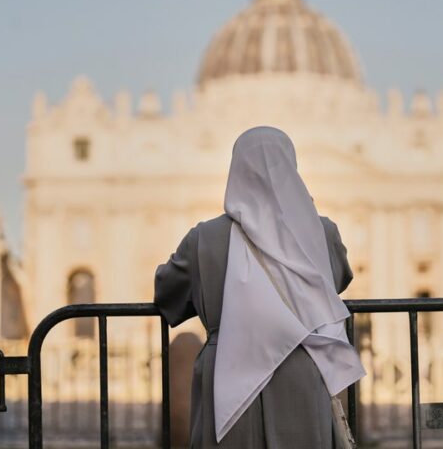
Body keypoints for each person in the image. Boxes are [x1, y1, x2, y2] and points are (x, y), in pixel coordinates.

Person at [154, 126, 365, 448]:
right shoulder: (322, 232)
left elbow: (168, 294)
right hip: (302, 367)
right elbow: (337, 281)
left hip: (227, 370)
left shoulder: (203, 238)